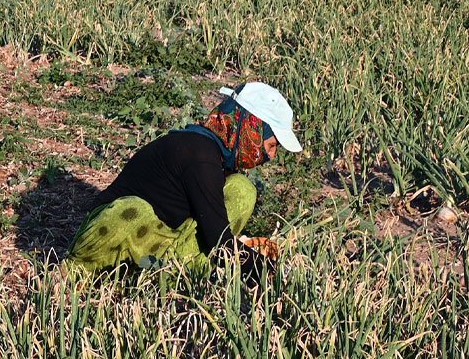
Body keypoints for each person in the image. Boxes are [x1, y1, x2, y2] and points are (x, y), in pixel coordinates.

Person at [68, 83, 300, 275]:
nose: (271, 155)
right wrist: (269, 272)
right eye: (271, 145)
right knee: (132, 211)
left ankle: (164, 270)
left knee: (242, 189)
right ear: (251, 129)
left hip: (158, 239)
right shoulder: (201, 157)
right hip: (109, 236)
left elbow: (213, 229)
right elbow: (220, 243)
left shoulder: (214, 155)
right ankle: (78, 271)